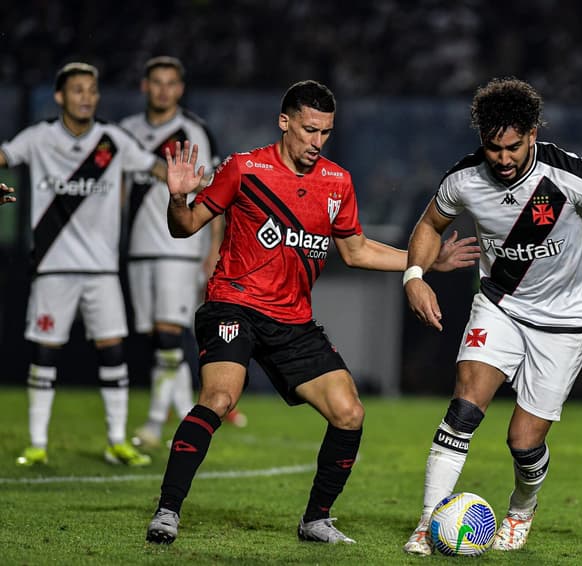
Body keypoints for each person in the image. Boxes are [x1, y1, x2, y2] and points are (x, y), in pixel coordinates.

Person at [144, 79, 479, 546]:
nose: (317, 142)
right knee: (220, 398)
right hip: (234, 304)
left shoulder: (336, 181)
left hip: (293, 321)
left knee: (349, 413)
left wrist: (422, 261)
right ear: (285, 123)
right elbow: (184, 229)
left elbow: (357, 251)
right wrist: (178, 197)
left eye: (325, 132)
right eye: (309, 130)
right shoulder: (244, 169)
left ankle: (315, 519)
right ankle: (167, 511)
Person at [401, 77, 582, 554]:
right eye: (493, 147)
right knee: (464, 406)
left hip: (565, 320)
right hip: (500, 304)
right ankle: (428, 521)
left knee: (523, 440)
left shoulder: (568, 176)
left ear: (533, 134)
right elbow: (431, 223)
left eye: (513, 147)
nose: (502, 158)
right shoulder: (464, 179)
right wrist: (414, 274)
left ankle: (521, 510)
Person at [0, 62, 167, 467]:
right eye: (78, 90)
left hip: (102, 271)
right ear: (60, 96)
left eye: (92, 89)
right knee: (46, 353)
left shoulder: (112, 140)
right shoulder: (40, 137)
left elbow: (157, 168)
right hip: (53, 267)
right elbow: (4, 156)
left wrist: (194, 182)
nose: (86, 97)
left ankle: (116, 441)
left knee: (113, 353)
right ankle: (37, 444)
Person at [119, 56, 244, 449]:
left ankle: (156, 424)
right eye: (156, 82)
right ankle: (187, 408)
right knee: (160, 339)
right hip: (139, 250)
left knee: (171, 336)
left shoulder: (192, 131)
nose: (163, 90)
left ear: (180, 88)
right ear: (145, 86)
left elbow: (212, 194)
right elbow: (121, 193)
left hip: (179, 251)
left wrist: (212, 250)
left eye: (171, 83)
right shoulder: (126, 132)